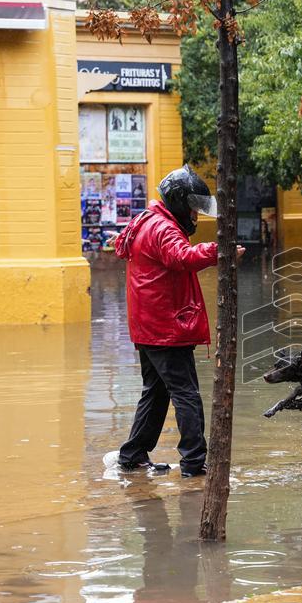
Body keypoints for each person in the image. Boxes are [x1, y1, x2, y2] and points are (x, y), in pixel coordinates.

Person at [113, 165, 244, 477]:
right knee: (186, 393)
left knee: (156, 391)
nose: (196, 216)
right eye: (194, 209)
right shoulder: (164, 228)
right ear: (180, 203)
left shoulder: (148, 220)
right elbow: (182, 258)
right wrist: (221, 251)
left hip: (148, 326)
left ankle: (132, 455)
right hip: (164, 327)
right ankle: (194, 463)